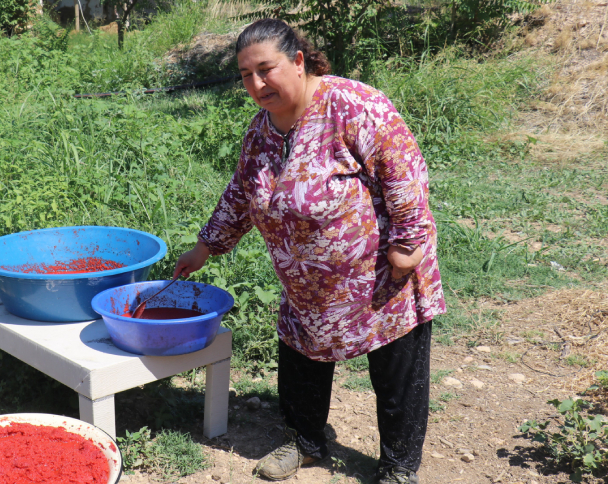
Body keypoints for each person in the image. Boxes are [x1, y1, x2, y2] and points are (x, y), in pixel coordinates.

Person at [173, 19, 447, 484]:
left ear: (298, 61)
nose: (257, 84)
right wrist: (205, 246)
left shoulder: (355, 107)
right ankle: (306, 441)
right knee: (301, 355)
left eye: (266, 69)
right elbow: (241, 193)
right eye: (245, 75)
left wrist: (407, 245)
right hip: (305, 280)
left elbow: (405, 173)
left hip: (381, 276)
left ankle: (399, 467)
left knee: (395, 369)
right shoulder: (261, 130)